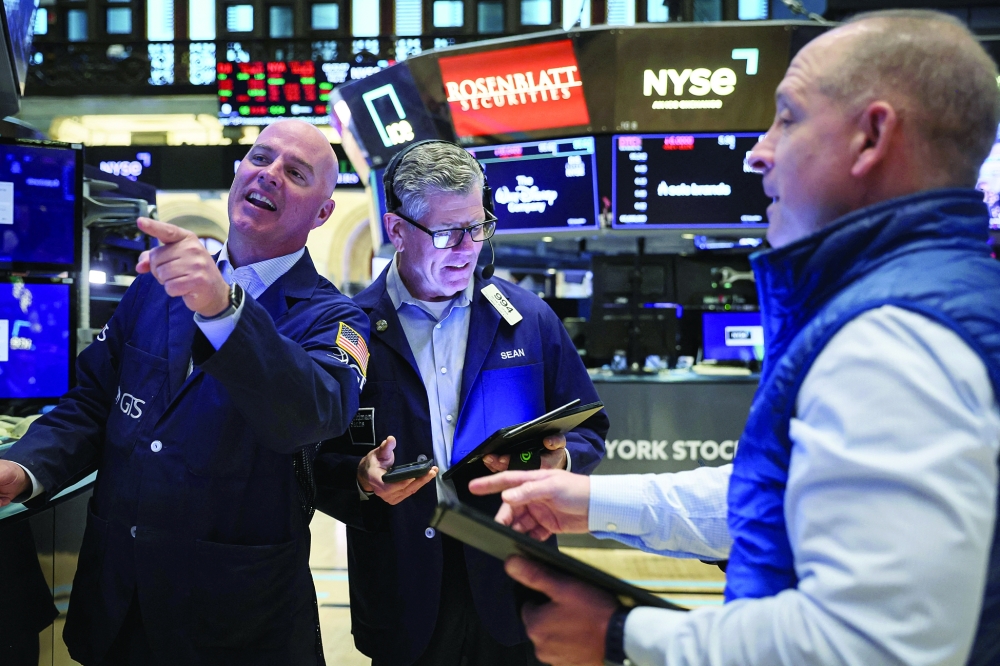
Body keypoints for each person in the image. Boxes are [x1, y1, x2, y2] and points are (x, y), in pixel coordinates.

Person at [470, 10, 1000, 666]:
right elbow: (785, 497)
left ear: (872, 136)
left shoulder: (895, 339)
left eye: (788, 117)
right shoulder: (926, 297)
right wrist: (594, 501)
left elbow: (873, 644)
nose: (757, 151)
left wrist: (620, 635)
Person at [0, 119, 369, 666]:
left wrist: (224, 310)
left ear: (322, 213)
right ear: (238, 172)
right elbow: (93, 404)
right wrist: (24, 467)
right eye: (260, 158)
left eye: (295, 173)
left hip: (233, 618)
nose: (270, 174)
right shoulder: (156, 286)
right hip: (117, 604)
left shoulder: (334, 318)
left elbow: (313, 413)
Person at [314, 140, 609, 666]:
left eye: (478, 227)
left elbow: (590, 427)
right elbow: (311, 458)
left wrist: (559, 460)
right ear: (397, 229)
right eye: (447, 232)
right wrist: (359, 477)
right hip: (403, 587)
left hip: (514, 581)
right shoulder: (348, 328)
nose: (467, 248)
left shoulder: (528, 319)